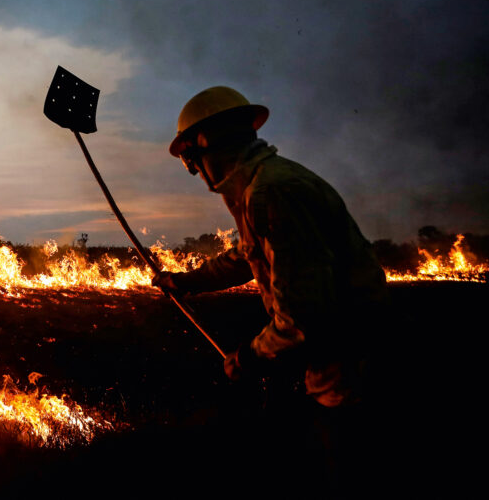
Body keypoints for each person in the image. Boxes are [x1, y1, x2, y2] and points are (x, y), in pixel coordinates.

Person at [153, 86, 388, 407]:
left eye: (190, 160)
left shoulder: (271, 193)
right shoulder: (268, 182)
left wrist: (248, 357)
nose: (195, 171)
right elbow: (245, 256)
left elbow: (301, 318)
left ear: (206, 144)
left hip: (348, 374)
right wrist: (186, 281)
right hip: (347, 360)